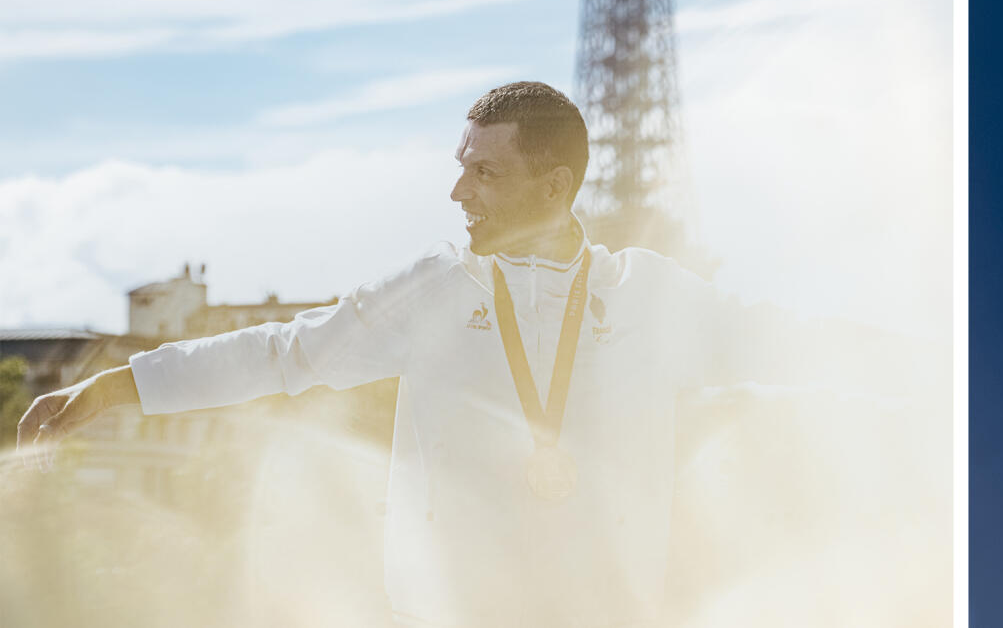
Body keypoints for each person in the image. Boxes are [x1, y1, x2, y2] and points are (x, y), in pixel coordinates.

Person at [17, 81, 814, 628]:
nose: (459, 191)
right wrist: (120, 387)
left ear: (552, 185)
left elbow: (786, 341)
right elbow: (285, 354)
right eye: (461, 167)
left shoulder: (647, 295)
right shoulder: (433, 290)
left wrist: (933, 366)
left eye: (484, 171)